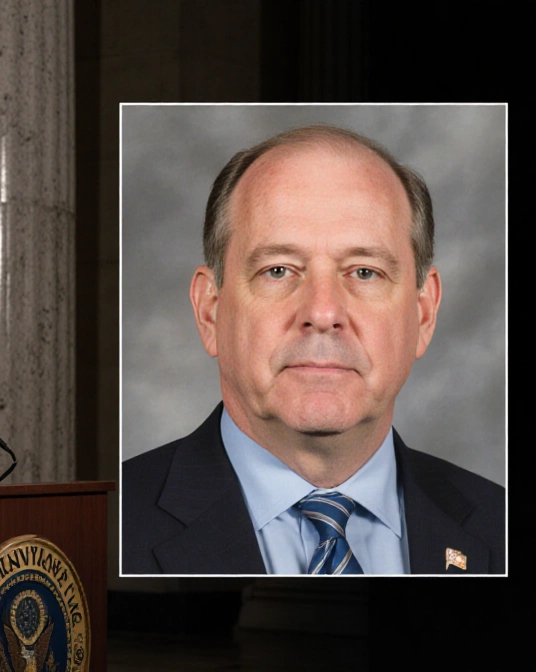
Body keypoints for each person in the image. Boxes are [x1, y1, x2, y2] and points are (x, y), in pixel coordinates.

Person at [120, 125, 504, 575]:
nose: (323, 313)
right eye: (278, 270)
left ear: (423, 314)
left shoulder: (502, 526)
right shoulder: (107, 528)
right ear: (210, 311)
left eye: (364, 272)